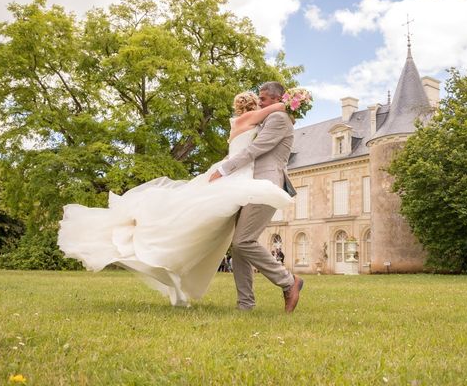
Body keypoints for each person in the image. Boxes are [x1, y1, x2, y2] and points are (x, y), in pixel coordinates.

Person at [58, 89, 293, 308]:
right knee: (228, 236)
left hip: (239, 176)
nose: (261, 104)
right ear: (252, 106)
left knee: (231, 239)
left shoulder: (242, 123)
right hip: (236, 175)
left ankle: (246, 301)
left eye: (264, 99)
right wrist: (291, 100)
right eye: (258, 101)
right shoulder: (251, 119)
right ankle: (278, 286)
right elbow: (275, 112)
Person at [209, 81, 303, 313]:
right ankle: (245, 304)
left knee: (243, 241)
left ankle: (289, 282)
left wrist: (223, 170)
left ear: (275, 99)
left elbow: (256, 149)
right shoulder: (268, 118)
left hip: (266, 184)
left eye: (262, 99)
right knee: (238, 245)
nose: (258, 103)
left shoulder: (279, 119)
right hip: (249, 185)